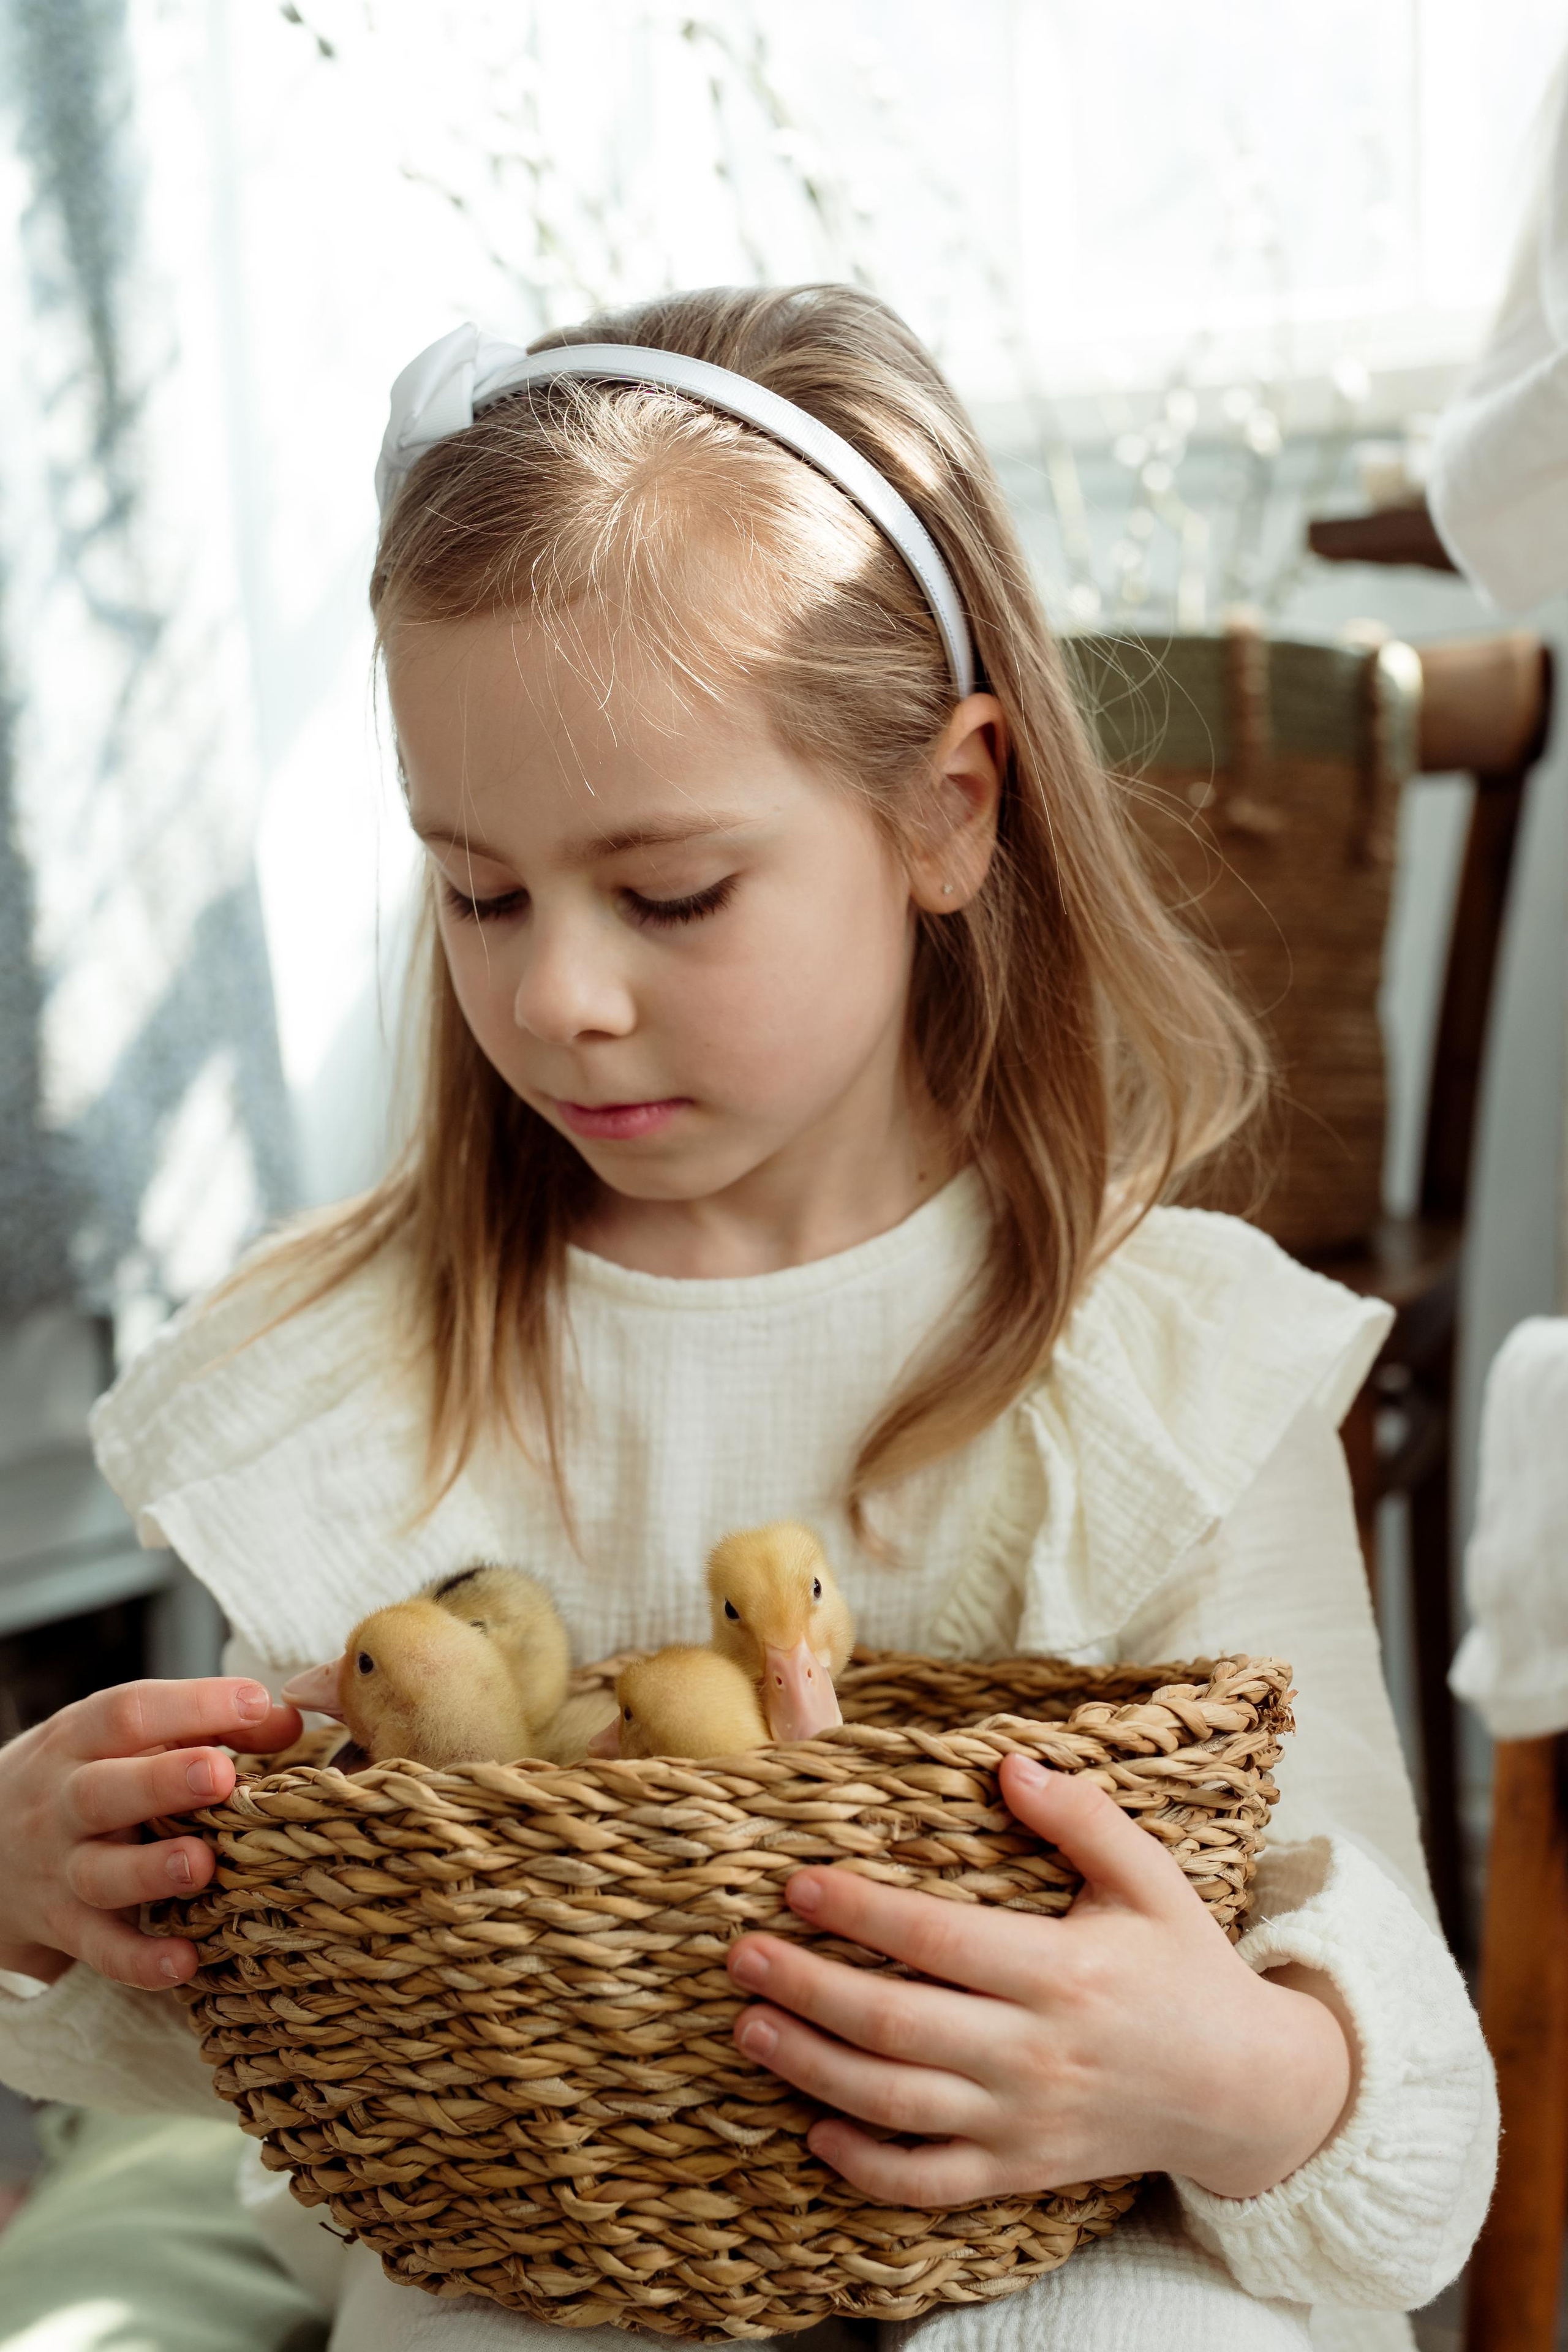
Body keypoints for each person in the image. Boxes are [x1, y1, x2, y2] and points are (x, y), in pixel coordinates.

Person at [0, 285, 1493, 2352]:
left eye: (672, 893)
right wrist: (51, 1897)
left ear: (950, 810)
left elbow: (1405, 2110)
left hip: (1070, 2234)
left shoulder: (1157, 1375)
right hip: (538, 2242)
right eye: (479, 892)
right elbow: (285, 2053)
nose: (557, 999)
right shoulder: (349, 1377)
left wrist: (1236, 2077)